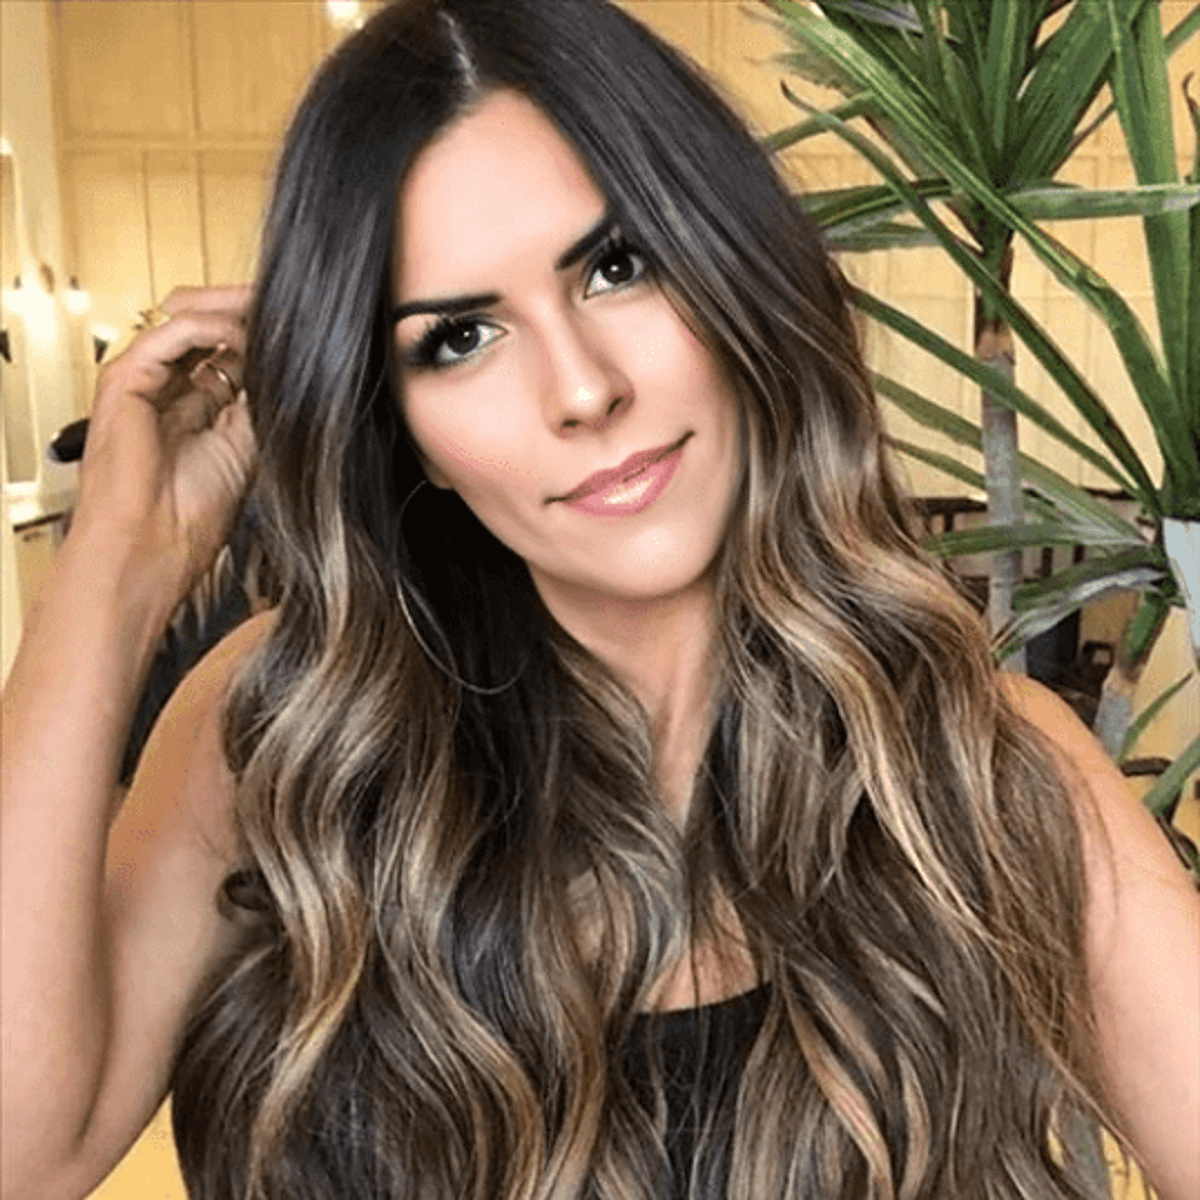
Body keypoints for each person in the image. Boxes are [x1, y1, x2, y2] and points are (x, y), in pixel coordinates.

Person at [3, 1, 1197, 1197]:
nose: (581, 389)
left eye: (618, 267)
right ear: (402, 428)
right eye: (459, 337)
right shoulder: (288, 732)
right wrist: (121, 564)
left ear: (734, 272)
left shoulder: (978, 767)